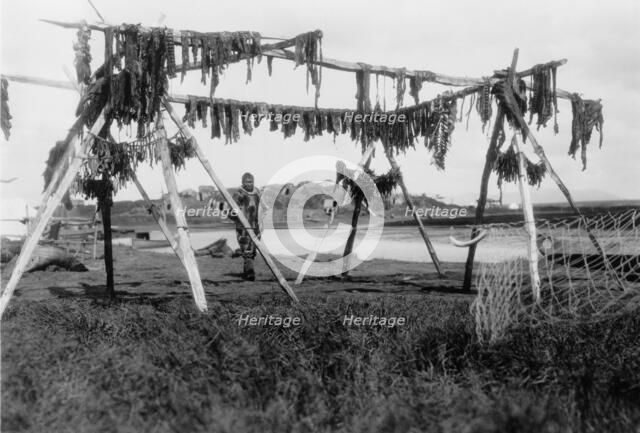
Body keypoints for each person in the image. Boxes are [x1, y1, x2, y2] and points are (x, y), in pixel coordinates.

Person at [230, 172, 261, 280]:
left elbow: (262, 208)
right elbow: (231, 212)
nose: (249, 184)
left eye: (251, 182)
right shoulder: (238, 194)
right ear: (242, 182)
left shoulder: (257, 193)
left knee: (252, 251)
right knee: (246, 250)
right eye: (247, 182)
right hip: (243, 228)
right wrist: (239, 218)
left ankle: (246, 271)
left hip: (255, 226)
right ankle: (249, 273)